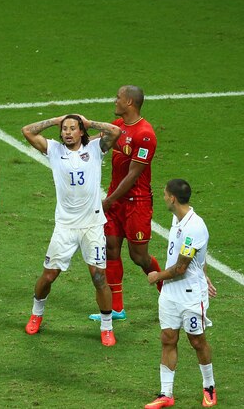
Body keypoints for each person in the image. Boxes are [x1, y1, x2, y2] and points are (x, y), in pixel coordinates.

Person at [22, 114, 121, 346]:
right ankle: (36, 314)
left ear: (81, 131)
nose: (67, 132)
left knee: (98, 277)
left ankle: (107, 327)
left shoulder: (96, 148)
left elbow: (115, 132)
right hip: (65, 226)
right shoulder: (54, 150)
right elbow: (27, 130)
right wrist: (54, 120)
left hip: (93, 225)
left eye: (72, 128)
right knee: (49, 275)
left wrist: (90, 123)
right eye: (64, 128)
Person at [89, 85, 163, 321]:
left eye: (118, 98)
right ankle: (116, 308)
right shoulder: (118, 126)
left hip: (136, 202)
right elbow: (95, 141)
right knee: (110, 247)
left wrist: (109, 201)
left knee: (138, 256)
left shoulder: (145, 134)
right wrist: (69, 143)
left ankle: (169, 295)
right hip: (115, 200)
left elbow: (133, 175)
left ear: (129, 102)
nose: (115, 101)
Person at [145, 179, 217, 408]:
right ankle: (166, 393)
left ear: (172, 198)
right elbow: (199, 257)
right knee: (168, 338)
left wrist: (156, 276)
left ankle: (209, 387)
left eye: (165, 194)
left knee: (197, 340)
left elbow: (181, 268)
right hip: (170, 294)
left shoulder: (194, 226)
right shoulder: (177, 219)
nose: (164, 197)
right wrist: (204, 273)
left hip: (190, 296)